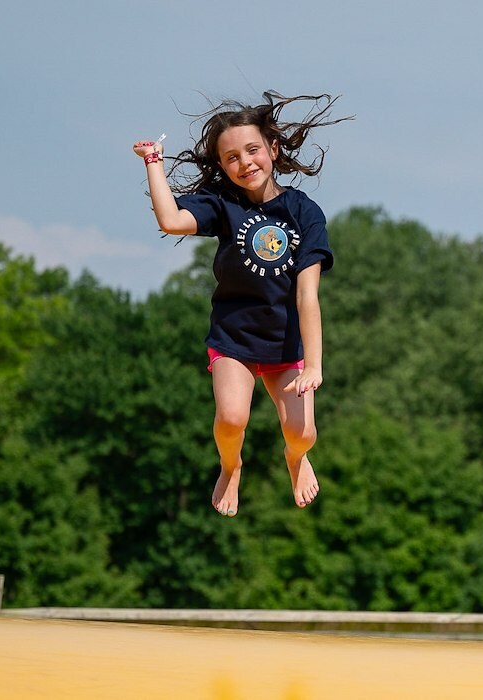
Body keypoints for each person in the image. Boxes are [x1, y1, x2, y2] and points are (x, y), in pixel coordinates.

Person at [132, 91, 348, 517]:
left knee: (302, 434)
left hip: (287, 344)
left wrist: (316, 366)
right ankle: (231, 465)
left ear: (273, 148)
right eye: (231, 157)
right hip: (234, 336)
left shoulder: (304, 212)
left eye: (252, 150)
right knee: (232, 419)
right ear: (222, 166)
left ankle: (295, 459)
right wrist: (153, 163)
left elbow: (308, 296)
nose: (244, 162)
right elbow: (171, 220)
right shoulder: (223, 204)